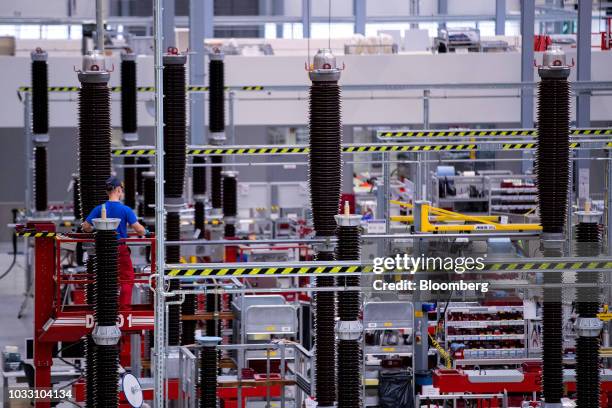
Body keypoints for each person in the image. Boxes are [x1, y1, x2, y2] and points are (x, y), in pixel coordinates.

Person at [82, 176, 146, 308]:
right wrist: (145, 231)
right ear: (118, 190)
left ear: (107, 192)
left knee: (104, 279)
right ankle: (124, 311)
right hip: (120, 250)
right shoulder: (125, 210)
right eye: (121, 190)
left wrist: (96, 226)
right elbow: (139, 231)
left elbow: (86, 227)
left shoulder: (99, 209)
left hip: (103, 250)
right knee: (127, 279)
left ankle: (104, 309)